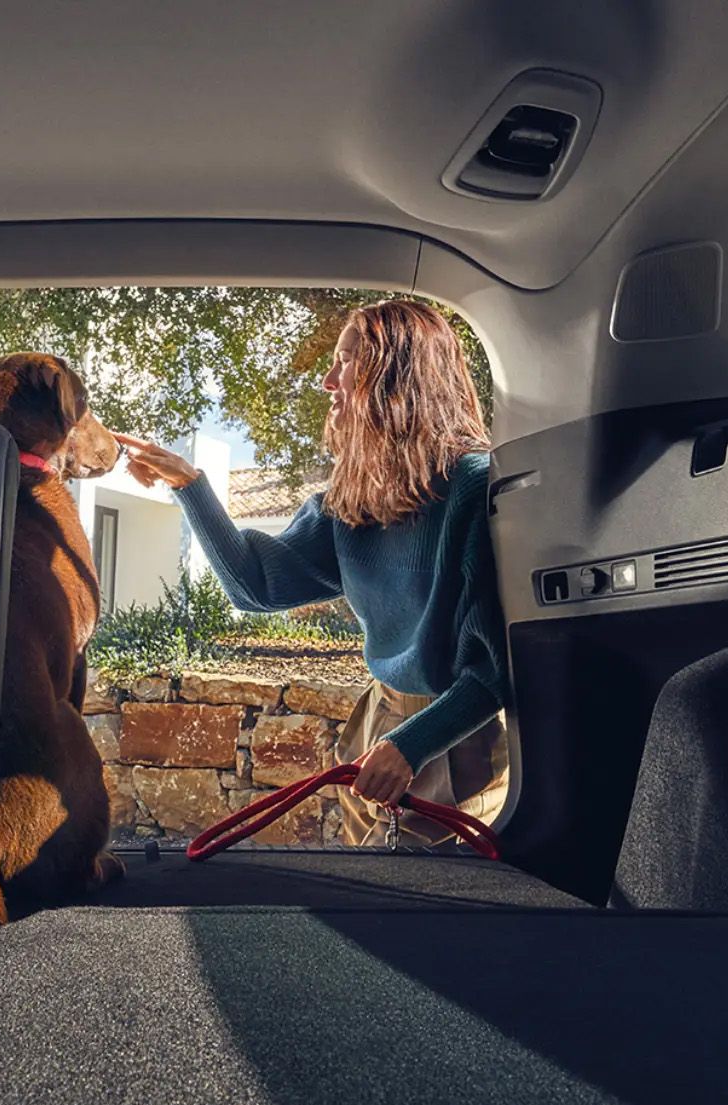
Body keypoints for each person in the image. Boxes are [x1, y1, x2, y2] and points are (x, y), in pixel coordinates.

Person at [115, 299, 508, 848]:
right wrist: (189, 484)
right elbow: (255, 586)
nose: (328, 381)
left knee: (407, 894)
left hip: (451, 737)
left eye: (346, 361)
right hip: (378, 720)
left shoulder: (473, 486)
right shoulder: (352, 500)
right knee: (362, 881)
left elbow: (498, 668)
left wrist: (414, 743)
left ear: (394, 375)